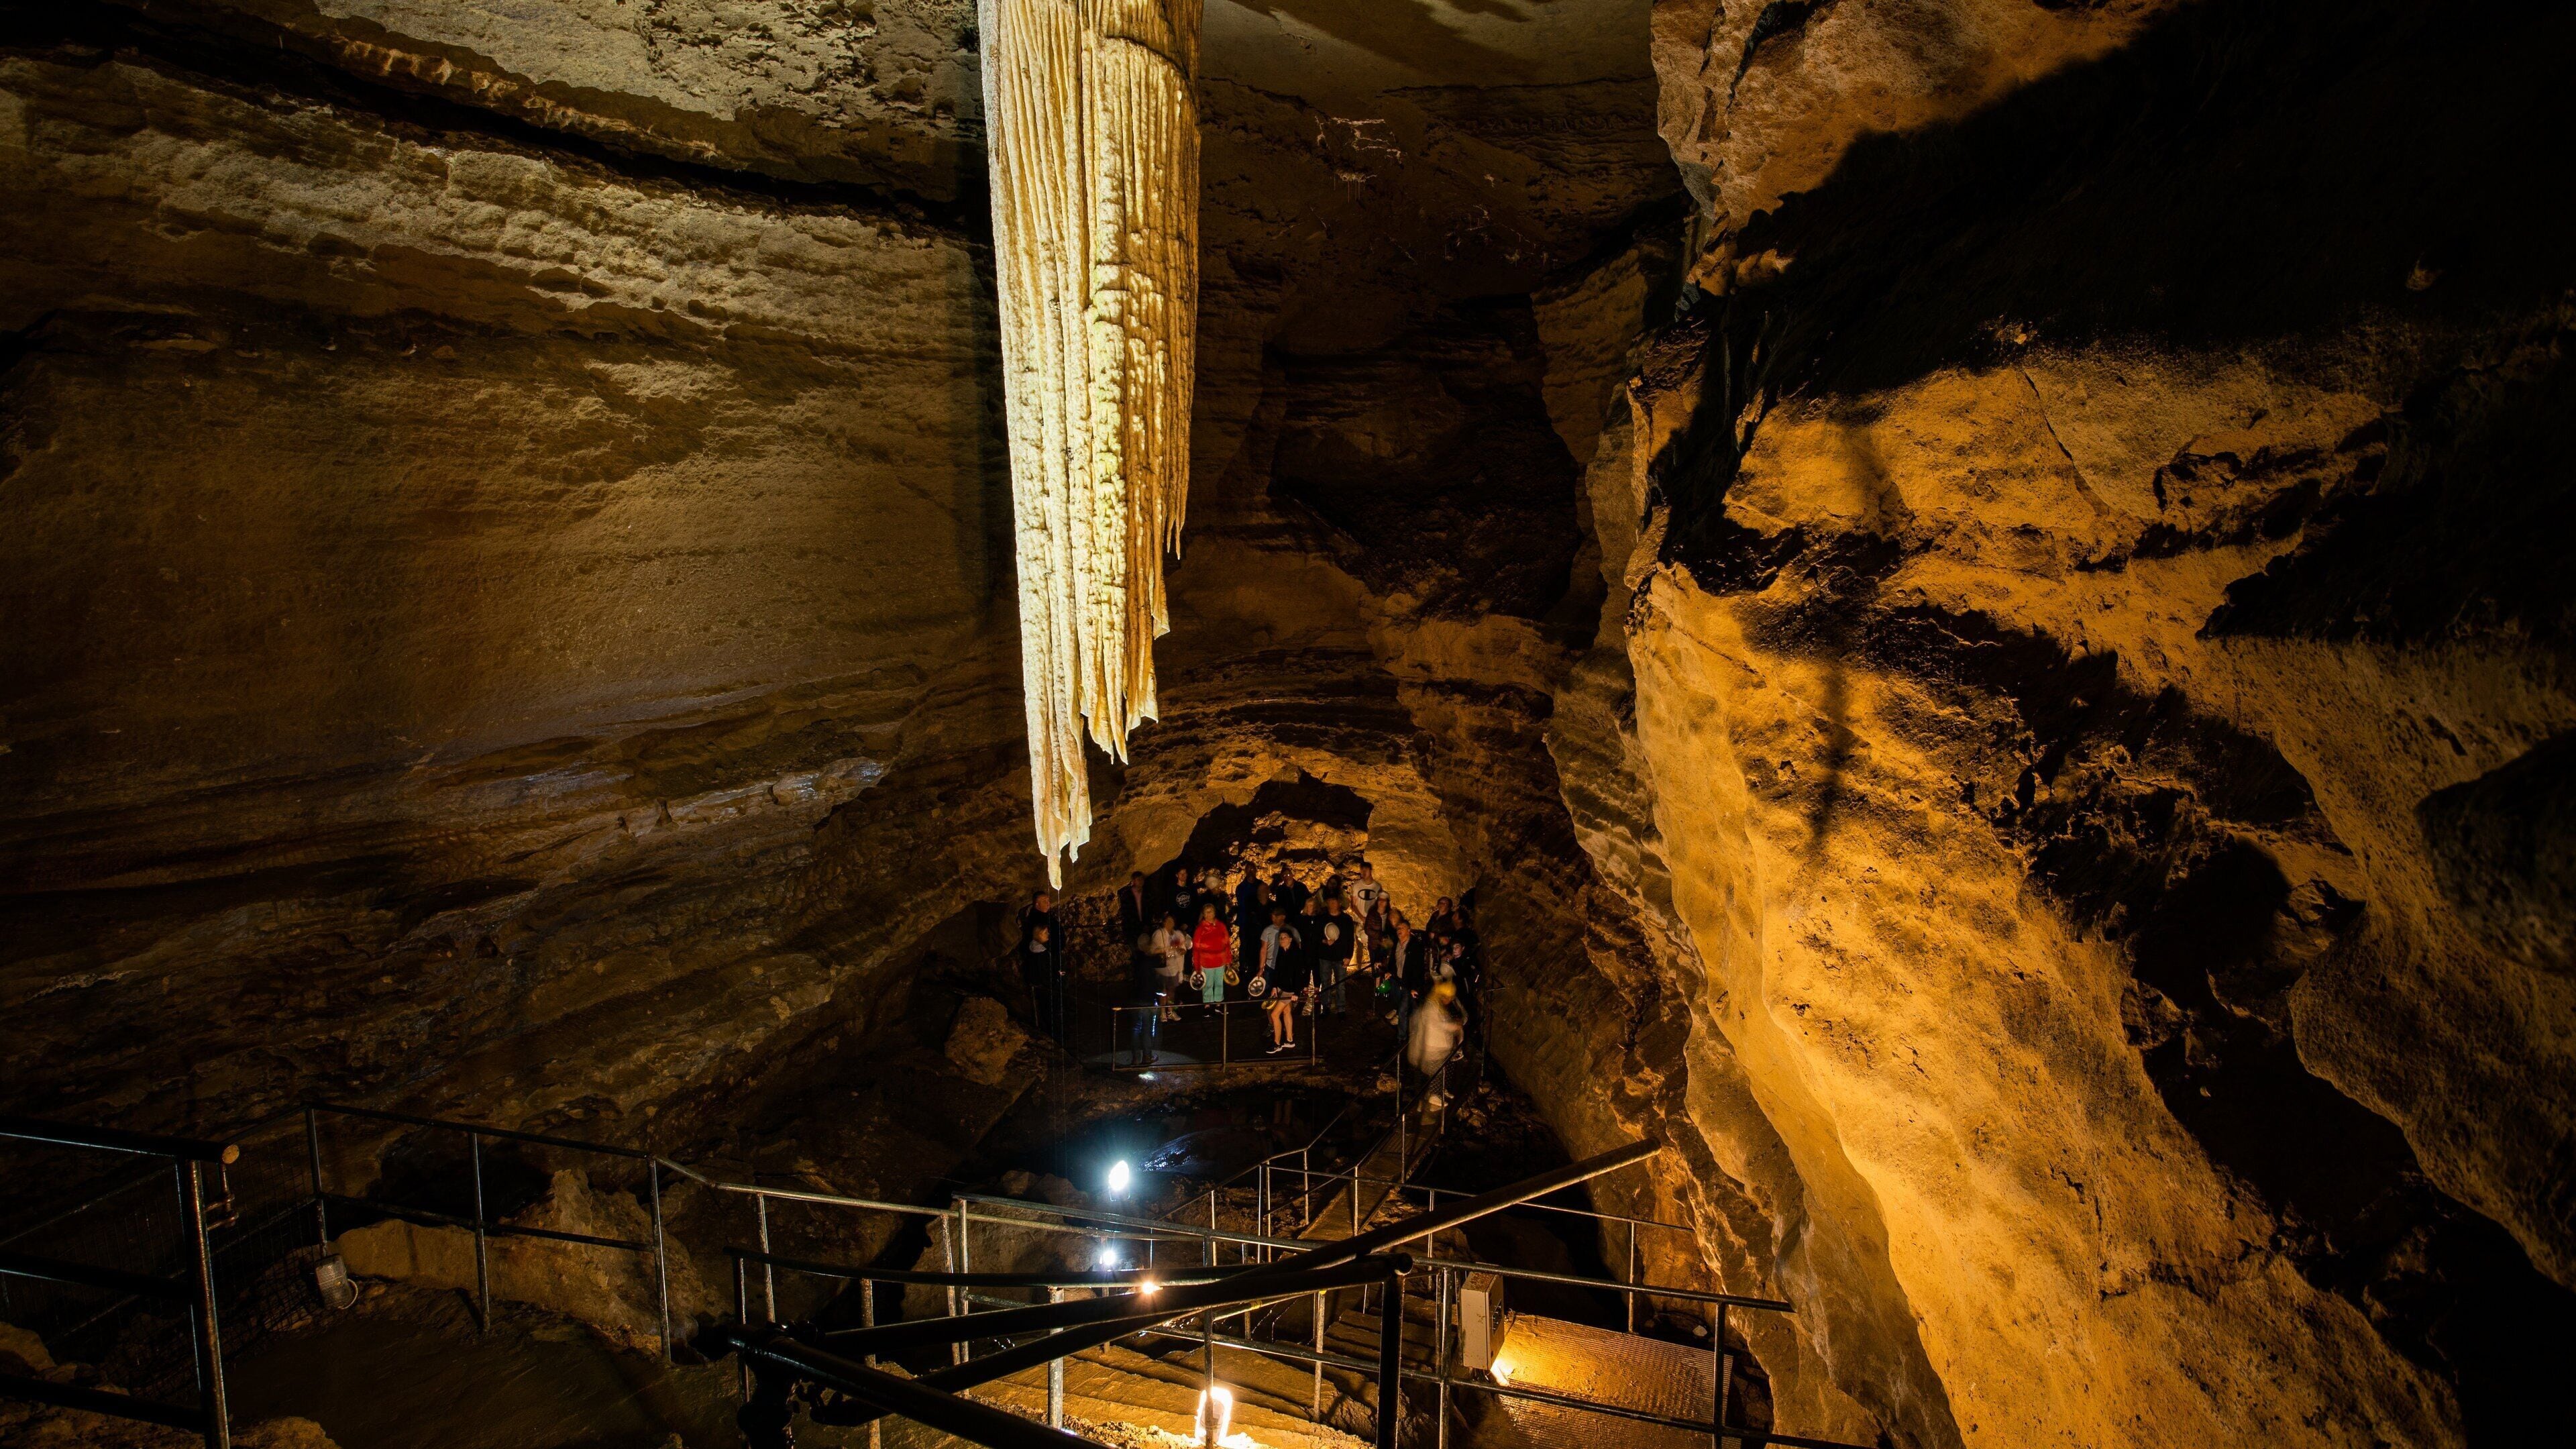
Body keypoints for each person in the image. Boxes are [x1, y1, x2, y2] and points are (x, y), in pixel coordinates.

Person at [1407, 981, 1466, 1109]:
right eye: (1448, 998)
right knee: (1437, 1072)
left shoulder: (1440, 1005)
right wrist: (1453, 1026)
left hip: (1442, 1045)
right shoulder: (1431, 1006)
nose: (1449, 1000)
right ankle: (1434, 1095)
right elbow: (1438, 1024)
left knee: (1445, 1069)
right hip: (1433, 1046)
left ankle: (1440, 1090)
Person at [1019, 889, 1065, 1044]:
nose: (1048, 903)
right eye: (1045, 901)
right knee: (1049, 1005)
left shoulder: (1045, 919)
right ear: (1037, 904)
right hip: (1044, 974)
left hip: (1048, 968)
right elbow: (1036, 949)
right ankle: (1053, 1037)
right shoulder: (1036, 923)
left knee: (1052, 1005)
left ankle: (1055, 1034)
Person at [1260, 906, 1305, 1053]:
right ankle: (1290, 1040)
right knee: (1286, 1013)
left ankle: (1277, 1043)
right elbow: (1277, 971)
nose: (1282, 939)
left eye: (1284, 938)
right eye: (1280, 938)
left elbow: (1300, 973)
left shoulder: (1296, 954)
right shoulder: (1281, 952)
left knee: (1274, 1014)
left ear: (1291, 939)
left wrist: (1297, 991)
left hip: (1290, 989)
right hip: (1282, 987)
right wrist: (1274, 986)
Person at [1316, 896, 1355, 1015]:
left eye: (1335, 901)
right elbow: (1316, 937)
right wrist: (1325, 942)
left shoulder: (1347, 919)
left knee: (1341, 984)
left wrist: (1349, 956)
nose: (1333, 904)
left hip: (1341, 957)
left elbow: (1350, 940)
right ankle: (1326, 1007)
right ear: (1327, 903)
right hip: (1325, 957)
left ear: (1339, 903)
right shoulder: (1322, 919)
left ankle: (1341, 1009)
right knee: (1325, 983)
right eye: (1330, 901)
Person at [1191, 902, 1232, 1006]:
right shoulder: (1200, 929)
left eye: (1211, 911)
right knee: (1208, 984)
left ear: (1214, 913)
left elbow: (1227, 944)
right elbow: (1196, 949)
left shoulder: (1221, 926)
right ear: (1204, 914)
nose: (1209, 914)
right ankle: (1208, 1005)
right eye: (1206, 912)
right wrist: (1197, 966)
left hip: (1220, 961)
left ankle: (1219, 1003)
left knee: (1219, 983)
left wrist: (1228, 960)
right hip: (1207, 963)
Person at [1150, 910, 1191, 1014]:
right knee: (1163, 991)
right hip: (1163, 966)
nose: (1170, 923)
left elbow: (1184, 948)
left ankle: (1170, 1010)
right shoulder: (1159, 934)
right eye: (1167, 921)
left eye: (1172, 921)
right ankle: (1163, 1012)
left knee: (1171, 991)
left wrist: (1182, 950)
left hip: (1174, 967)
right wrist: (1166, 949)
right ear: (1164, 923)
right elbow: (1152, 950)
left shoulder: (1178, 934)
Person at [1349, 859, 1385, 924]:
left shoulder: (1378, 887)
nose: (1364, 872)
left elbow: (1380, 906)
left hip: (1372, 923)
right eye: (1362, 870)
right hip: (1359, 922)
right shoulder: (1356, 886)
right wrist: (1362, 918)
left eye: (1366, 870)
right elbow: (1353, 905)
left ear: (1370, 871)